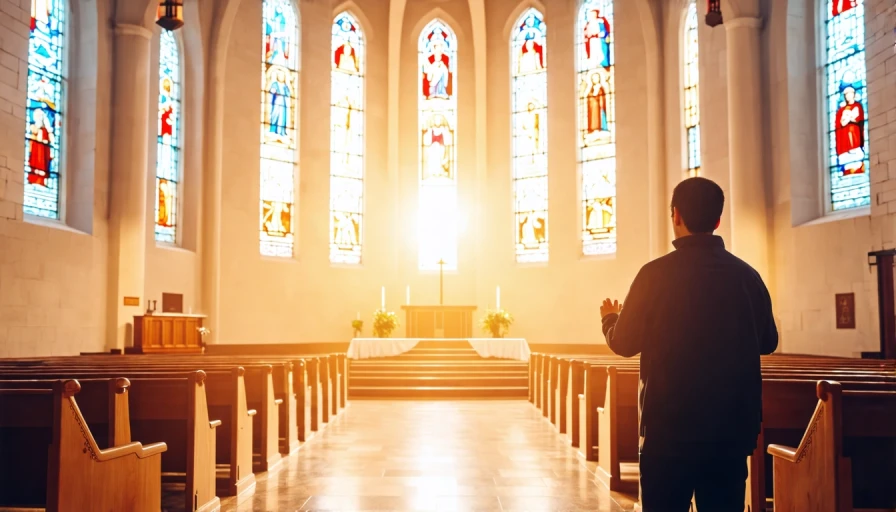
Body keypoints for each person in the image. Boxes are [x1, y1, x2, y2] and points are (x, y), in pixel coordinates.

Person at [599, 177, 778, 511]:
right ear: (717, 220)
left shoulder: (654, 275)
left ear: (676, 215)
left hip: (668, 428)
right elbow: (769, 341)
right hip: (730, 429)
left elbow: (623, 343)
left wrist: (610, 319)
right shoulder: (747, 275)